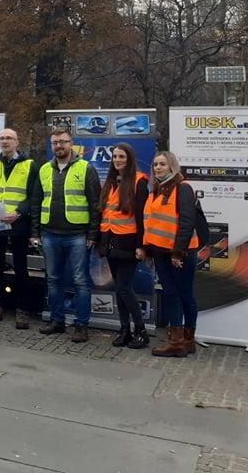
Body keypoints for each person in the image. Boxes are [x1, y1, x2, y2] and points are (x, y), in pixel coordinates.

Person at [31, 127, 101, 343]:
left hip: (77, 235)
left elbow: (95, 204)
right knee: (53, 280)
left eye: (63, 141)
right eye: (55, 142)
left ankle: (81, 325)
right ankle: (57, 320)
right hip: (49, 234)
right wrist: (35, 232)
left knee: (81, 281)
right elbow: (36, 203)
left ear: (72, 144)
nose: (59, 146)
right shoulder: (43, 169)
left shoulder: (86, 168)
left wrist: (92, 234)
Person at [0, 128, 38, 329]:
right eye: (2, 138)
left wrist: (20, 212)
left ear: (17, 142)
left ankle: (23, 310)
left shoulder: (29, 165)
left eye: (9, 138)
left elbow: (33, 196)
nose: (5, 141)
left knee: (21, 267)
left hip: (19, 223)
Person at [144, 151, 200, 357]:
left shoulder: (182, 188)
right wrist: (149, 250)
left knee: (183, 294)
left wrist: (178, 252)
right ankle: (180, 341)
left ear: (172, 166)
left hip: (179, 253)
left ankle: (184, 341)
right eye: (155, 164)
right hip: (160, 251)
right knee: (172, 294)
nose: (158, 167)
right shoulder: (156, 189)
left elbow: (187, 222)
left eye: (162, 164)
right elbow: (151, 223)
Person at [98, 143, 150, 349]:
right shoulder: (110, 182)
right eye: (115, 157)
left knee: (124, 288)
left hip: (128, 244)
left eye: (122, 157)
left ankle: (141, 331)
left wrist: (141, 246)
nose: (117, 160)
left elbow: (142, 217)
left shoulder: (139, 182)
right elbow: (103, 212)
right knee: (119, 290)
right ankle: (125, 330)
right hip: (110, 242)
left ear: (129, 159)